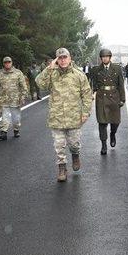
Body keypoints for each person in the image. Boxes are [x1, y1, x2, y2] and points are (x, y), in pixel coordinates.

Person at [35, 48, 93, 182]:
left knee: (74, 143)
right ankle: (62, 168)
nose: (62, 60)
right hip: (57, 117)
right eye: (60, 58)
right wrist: (49, 68)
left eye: (65, 57)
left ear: (70, 58)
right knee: (59, 145)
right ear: (56, 60)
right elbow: (39, 82)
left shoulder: (79, 75)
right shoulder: (52, 73)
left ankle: (75, 155)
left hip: (74, 117)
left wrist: (85, 113)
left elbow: (87, 95)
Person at [89, 48, 125, 155]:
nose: (104, 58)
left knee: (115, 121)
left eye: (106, 57)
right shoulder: (96, 70)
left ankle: (113, 134)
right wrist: (91, 94)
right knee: (102, 122)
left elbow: (121, 85)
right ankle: (103, 144)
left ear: (110, 57)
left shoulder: (117, 69)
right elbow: (93, 84)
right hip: (101, 98)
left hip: (114, 97)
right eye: (103, 57)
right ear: (101, 58)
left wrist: (122, 99)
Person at [0, 56, 29, 140]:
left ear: (11, 63)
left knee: (16, 118)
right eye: (5, 62)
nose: (7, 64)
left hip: (15, 100)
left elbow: (23, 86)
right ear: (3, 63)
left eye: (9, 62)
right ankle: (3, 133)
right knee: (5, 117)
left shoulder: (18, 73)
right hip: (4, 99)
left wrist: (23, 97)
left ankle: (16, 130)